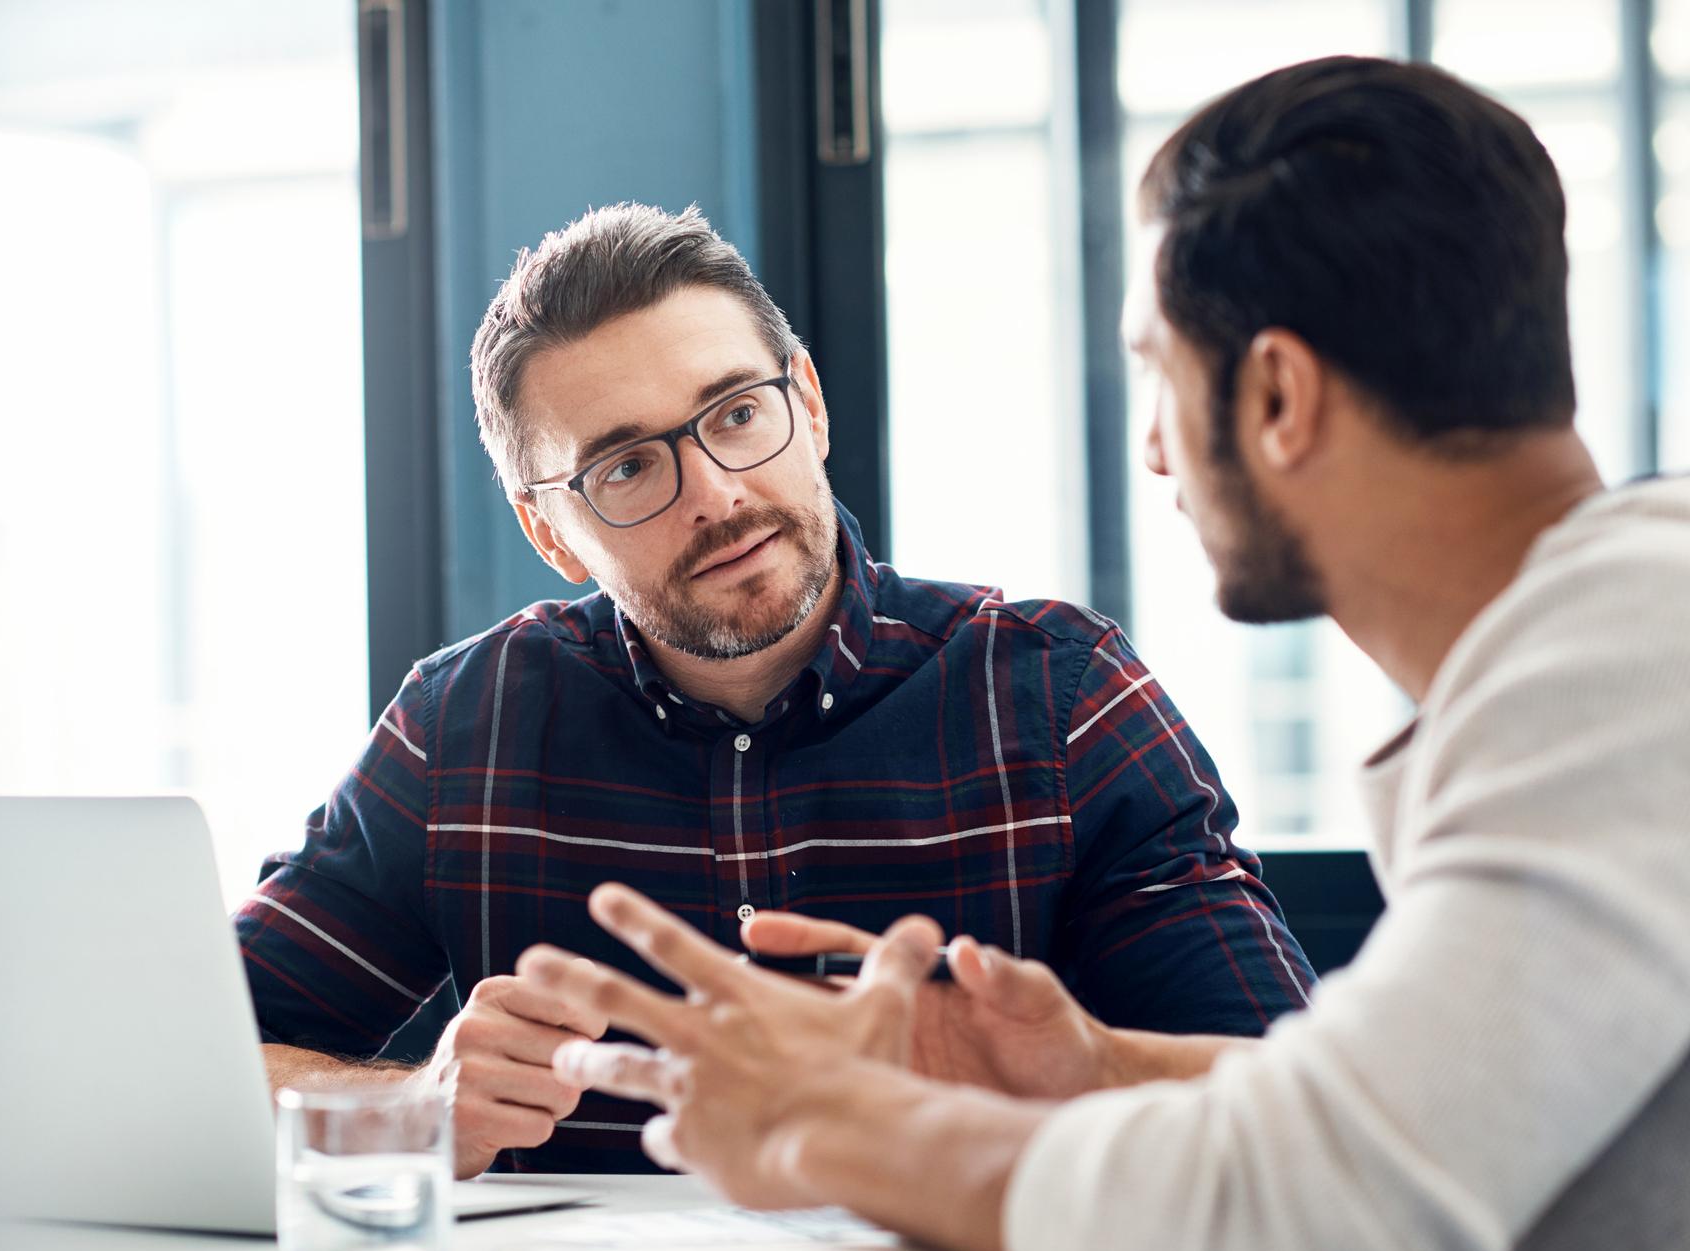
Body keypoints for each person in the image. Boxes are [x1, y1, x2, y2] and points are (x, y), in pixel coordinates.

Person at [520, 57, 1690, 1251]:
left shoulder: (1635, 655)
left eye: (1157, 372)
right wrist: (1091, 1061)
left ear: (1278, 398)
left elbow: (1323, 1232)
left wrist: (835, 1124)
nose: (1150, 447)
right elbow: (1411, 1116)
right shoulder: (1613, 639)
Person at [234, 201, 1313, 1178]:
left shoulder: (1061, 696)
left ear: (808, 403)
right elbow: (190, 1066)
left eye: (737, 412)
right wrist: (407, 1108)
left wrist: (1059, 1072)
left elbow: (1290, 1110)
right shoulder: (457, 729)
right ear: (546, 531)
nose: (714, 490)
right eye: (625, 467)